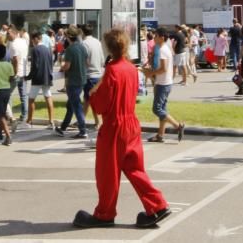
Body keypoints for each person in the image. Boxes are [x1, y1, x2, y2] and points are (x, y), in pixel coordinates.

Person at [73, 29, 171, 230]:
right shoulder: (130, 68)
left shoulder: (112, 70)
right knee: (135, 169)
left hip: (114, 126)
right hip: (131, 123)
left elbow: (101, 105)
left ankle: (105, 214)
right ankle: (157, 205)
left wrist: (93, 93)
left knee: (107, 172)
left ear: (109, 47)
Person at [140, 27, 185, 143]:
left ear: (162, 37)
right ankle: (160, 135)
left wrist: (151, 73)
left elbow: (163, 69)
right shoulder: (164, 48)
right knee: (163, 110)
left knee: (157, 109)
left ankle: (177, 126)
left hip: (163, 83)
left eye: (156, 36)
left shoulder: (163, 50)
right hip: (165, 82)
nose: (154, 38)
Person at [56, 26, 88, 139]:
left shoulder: (70, 49)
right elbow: (87, 62)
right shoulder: (82, 47)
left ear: (69, 37)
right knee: (71, 105)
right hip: (82, 79)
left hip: (73, 81)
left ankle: (83, 130)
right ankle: (63, 127)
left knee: (76, 106)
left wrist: (62, 66)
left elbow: (67, 66)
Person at [26, 31, 56, 129]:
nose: (31, 42)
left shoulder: (35, 50)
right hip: (47, 76)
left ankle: (29, 121)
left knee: (31, 100)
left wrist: (28, 77)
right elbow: (51, 63)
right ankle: (51, 121)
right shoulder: (48, 49)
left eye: (32, 40)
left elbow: (35, 66)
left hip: (37, 78)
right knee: (48, 97)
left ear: (36, 39)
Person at [81, 25, 105, 137]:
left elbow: (85, 61)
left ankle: (83, 122)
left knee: (88, 100)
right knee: (91, 100)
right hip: (98, 74)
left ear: (82, 32)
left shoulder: (84, 44)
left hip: (89, 75)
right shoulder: (97, 42)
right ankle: (96, 122)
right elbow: (102, 59)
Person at [7, 23, 30, 129]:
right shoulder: (23, 41)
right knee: (23, 95)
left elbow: (15, 60)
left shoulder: (13, 44)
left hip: (17, 73)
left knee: (8, 94)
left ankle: (9, 116)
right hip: (24, 71)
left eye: (8, 33)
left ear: (14, 33)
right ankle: (24, 116)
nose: (7, 35)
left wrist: (14, 74)